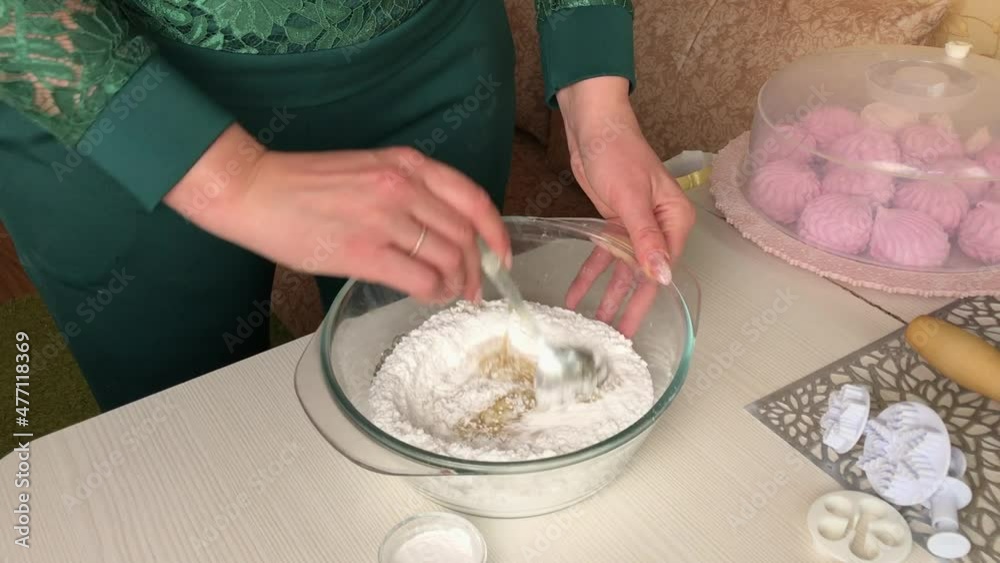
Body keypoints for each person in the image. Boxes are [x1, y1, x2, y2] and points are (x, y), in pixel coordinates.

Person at [0, 0, 695, 411]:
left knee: (438, 395)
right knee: (185, 437)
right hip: (106, 93)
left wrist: (597, 103)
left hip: (429, 59)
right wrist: (235, 181)